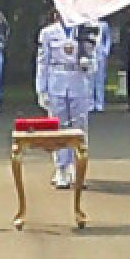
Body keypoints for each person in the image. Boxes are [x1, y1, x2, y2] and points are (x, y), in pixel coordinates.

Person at [35, 11, 98, 189]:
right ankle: (61, 168)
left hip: (79, 80)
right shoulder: (48, 33)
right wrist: (42, 89)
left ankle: (78, 168)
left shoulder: (86, 30)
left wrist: (90, 65)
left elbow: (96, 58)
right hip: (57, 79)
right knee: (58, 127)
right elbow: (42, 62)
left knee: (79, 127)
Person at [91, 18, 113, 113]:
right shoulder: (85, 23)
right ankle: (90, 103)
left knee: (100, 79)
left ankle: (100, 103)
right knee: (89, 79)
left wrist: (105, 51)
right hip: (89, 54)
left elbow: (108, 38)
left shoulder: (103, 25)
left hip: (100, 54)